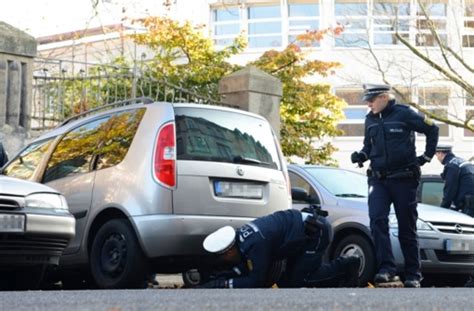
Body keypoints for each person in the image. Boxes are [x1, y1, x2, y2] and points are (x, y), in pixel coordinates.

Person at [350, 84, 439, 288]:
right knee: (377, 220)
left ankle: (413, 274)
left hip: (404, 179)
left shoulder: (404, 114)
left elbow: (432, 128)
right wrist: (361, 155)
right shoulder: (370, 119)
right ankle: (386, 269)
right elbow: (368, 147)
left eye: (371, 100)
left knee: (406, 226)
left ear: (383, 97)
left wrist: (426, 156)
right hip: (379, 180)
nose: (368, 104)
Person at [196, 208, 361, 288]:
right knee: (286, 284)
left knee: (300, 281)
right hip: (300, 236)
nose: (224, 261)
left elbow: (256, 280)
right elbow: (246, 268)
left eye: (223, 257)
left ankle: (348, 263)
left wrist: (223, 284)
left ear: (230, 250)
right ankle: (339, 276)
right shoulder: (241, 239)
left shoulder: (255, 244)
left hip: (315, 232)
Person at [435, 144, 474, 288]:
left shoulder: (451, 166)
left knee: (467, 240)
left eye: (436, 155)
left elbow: (449, 191)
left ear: (440, 154)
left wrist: (442, 211)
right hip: (469, 202)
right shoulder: (462, 161)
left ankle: (470, 277)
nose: (436, 157)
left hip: (469, 205)